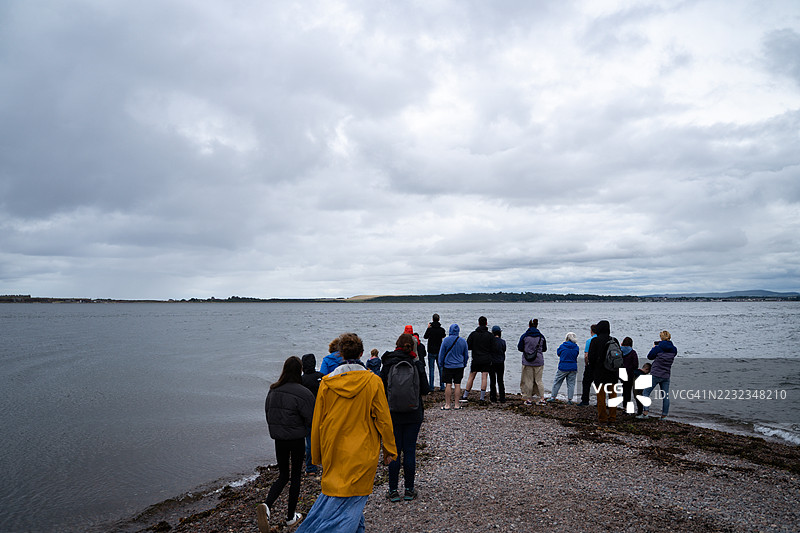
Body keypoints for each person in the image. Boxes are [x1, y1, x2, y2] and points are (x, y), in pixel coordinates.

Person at [296, 332, 397, 533]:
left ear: (340, 354)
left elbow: (318, 422)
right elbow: (384, 419)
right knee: (353, 500)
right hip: (363, 449)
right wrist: (389, 450)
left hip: (334, 449)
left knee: (345, 498)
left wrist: (316, 455)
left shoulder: (326, 383)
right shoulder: (372, 381)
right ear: (361, 353)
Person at [257, 356, 315, 532]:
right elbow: (312, 418)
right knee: (296, 476)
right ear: (300, 371)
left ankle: (267, 506)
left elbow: (268, 414)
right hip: (296, 438)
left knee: (283, 475)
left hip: (279, 439)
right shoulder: (303, 392)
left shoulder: (273, 390)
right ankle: (290, 517)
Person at [380, 333, 430, 502]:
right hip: (413, 413)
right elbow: (425, 389)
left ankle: (393, 491)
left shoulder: (387, 362)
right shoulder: (416, 363)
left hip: (392, 413)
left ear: (397, 345)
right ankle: (409, 489)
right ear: (412, 346)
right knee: (409, 451)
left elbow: (380, 387)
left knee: (393, 451)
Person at [639, 331, 678, 420]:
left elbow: (650, 357)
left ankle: (645, 413)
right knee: (665, 396)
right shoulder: (674, 349)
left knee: (646, 392)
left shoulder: (658, 348)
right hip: (666, 375)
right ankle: (664, 415)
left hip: (655, 374)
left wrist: (654, 348)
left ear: (661, 338)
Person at [587, 320, 618, 423]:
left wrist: (592, 370)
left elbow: (591, 358)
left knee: (601, 397)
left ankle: (602, 417)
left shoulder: (595, 341)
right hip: (612, 373)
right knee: (613, 395)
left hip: (599, 373)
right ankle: (613, 417)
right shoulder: (614, 340)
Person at [301, 353, 324, 475]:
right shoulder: (321, 377)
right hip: (323, 412)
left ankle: (311, 467)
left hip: (307, 415)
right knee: (324, 439)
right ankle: (326, 463)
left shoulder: (301, 380)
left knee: (309, 441)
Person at [461, 316, 494, 402]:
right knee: (484, 377)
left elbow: (468, 346)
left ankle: (465, 395)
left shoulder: (473, 334)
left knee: (471, 376)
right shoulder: (490, 335)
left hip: (476, 358)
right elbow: (493, 347)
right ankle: (482, 397)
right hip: (486, 358)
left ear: (478, 323)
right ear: (486, 323)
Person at [438, 324, 469, 410]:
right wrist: (464, 363)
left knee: (448, 384)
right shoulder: (463, 341)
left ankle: (447, 404)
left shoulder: (445, 340)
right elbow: (466, 355)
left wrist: (441, 364)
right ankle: (456, 404)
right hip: (459, 365)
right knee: (457, 384)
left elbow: (441, 354)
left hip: (448, 365)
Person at [518, 318, 548, 405]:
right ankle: (542, 398)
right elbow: (544, 349)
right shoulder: (541, 336)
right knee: (539, 381)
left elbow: (520, 348)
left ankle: (529, 399)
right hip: (538, 361)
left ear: (529, 325)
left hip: (527, 361)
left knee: (529, 381)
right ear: (537, 325)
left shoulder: (524, 336)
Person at [548, 332, 579, 404]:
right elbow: (576, 355)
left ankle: (553, 397)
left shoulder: (562, 346)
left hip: (563, 367)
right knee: (571, 384)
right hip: (573, 367)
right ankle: (570, 399)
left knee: (557, 382)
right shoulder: (576, 347)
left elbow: (558, 353)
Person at [423, 314, 447, 390]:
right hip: (439, 351)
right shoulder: (441, 330)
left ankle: (431, 386)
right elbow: (443, 336)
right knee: (441, 369)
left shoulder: (430, 329)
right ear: (439, 319)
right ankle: (442, 386)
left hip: (431, 351)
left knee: (431, 369)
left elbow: (425, 336)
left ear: (432, 319)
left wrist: (428, 328)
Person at [578, 324, 597, 406]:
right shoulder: (600, 340)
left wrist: (586, 364)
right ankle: (599, 401)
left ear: (591, 331)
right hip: (599, 366)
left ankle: (585, 400)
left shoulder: (589, 341)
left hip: (590, 365)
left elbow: (586, 355)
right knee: (598, 384)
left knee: (586, 383)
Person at [620, 337, 639, 411]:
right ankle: (627, 406)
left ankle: (624, 405)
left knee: (624, 389)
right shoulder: (633, 352)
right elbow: (635, 365)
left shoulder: (619, 351)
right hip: (630, 373)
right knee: (628, 390)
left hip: (621, 372)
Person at [488, 325, 506, 403]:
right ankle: (502, 397)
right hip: (500, 362)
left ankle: (493, 397)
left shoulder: (490, 342)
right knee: (500, 380)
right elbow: (504, 350)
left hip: (492, 362)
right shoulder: (502, 342)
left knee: (492, 380)